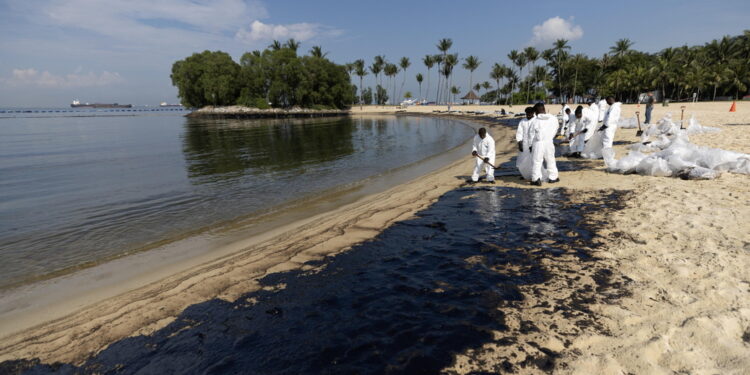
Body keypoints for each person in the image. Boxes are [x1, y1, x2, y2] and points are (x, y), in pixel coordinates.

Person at [527, 103, 559, 185]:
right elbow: (556, 128)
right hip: (549, 142)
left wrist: (530, 145)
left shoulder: (534, 121)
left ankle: (536, 179)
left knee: (537, 162)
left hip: (538, 143)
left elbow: (531, 134)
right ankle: (553, 178)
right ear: (544, 109)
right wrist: (550, 136)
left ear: (536, 111)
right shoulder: (553, 118)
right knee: (550, 159)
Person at [515, 107, 535, 179]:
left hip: (534, 144)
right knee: (523, 160)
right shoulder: (522, 121)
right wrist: (519, 142)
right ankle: (525, 174)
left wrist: (533, 145)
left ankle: (534, 175)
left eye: (530, 113)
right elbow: (519, 133)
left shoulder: (536, 120)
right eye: (527, 114)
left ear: (533, 113)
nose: (528, 115)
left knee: (533, 160)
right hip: (525, 144)